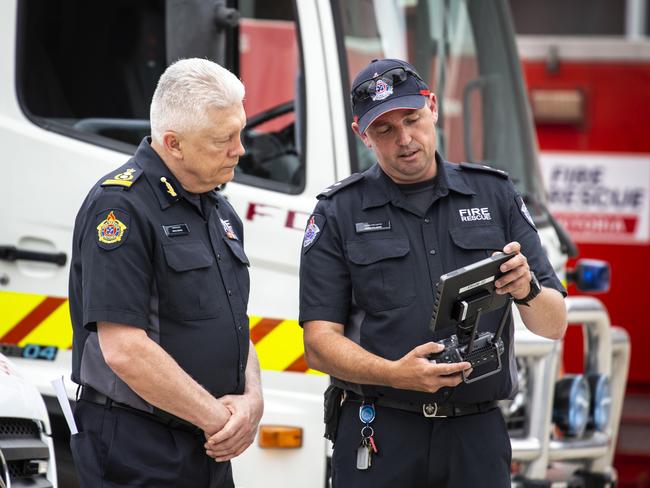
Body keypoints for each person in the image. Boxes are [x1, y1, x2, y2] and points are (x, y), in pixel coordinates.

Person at [299, 58, 567, 487]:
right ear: (361, 134)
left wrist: (527, 290)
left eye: (412, 119)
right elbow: (318, 344)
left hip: (475, 437)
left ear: (434, 107)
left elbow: (554, 323)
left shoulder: (494, 194)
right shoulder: (338, 212)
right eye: (384, 129)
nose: (405, 139)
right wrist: (394, 374)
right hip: (381, 432)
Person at [68, 58, 263, 488]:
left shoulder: (218, 210)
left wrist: (252, 399)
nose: (240, 149)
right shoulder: (121, 207)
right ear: (173, 143)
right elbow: (123, 348)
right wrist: (216, 418)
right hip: (138, 448)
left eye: (240, 132)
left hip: (205, 445)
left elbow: (233, 321)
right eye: (223, 139)